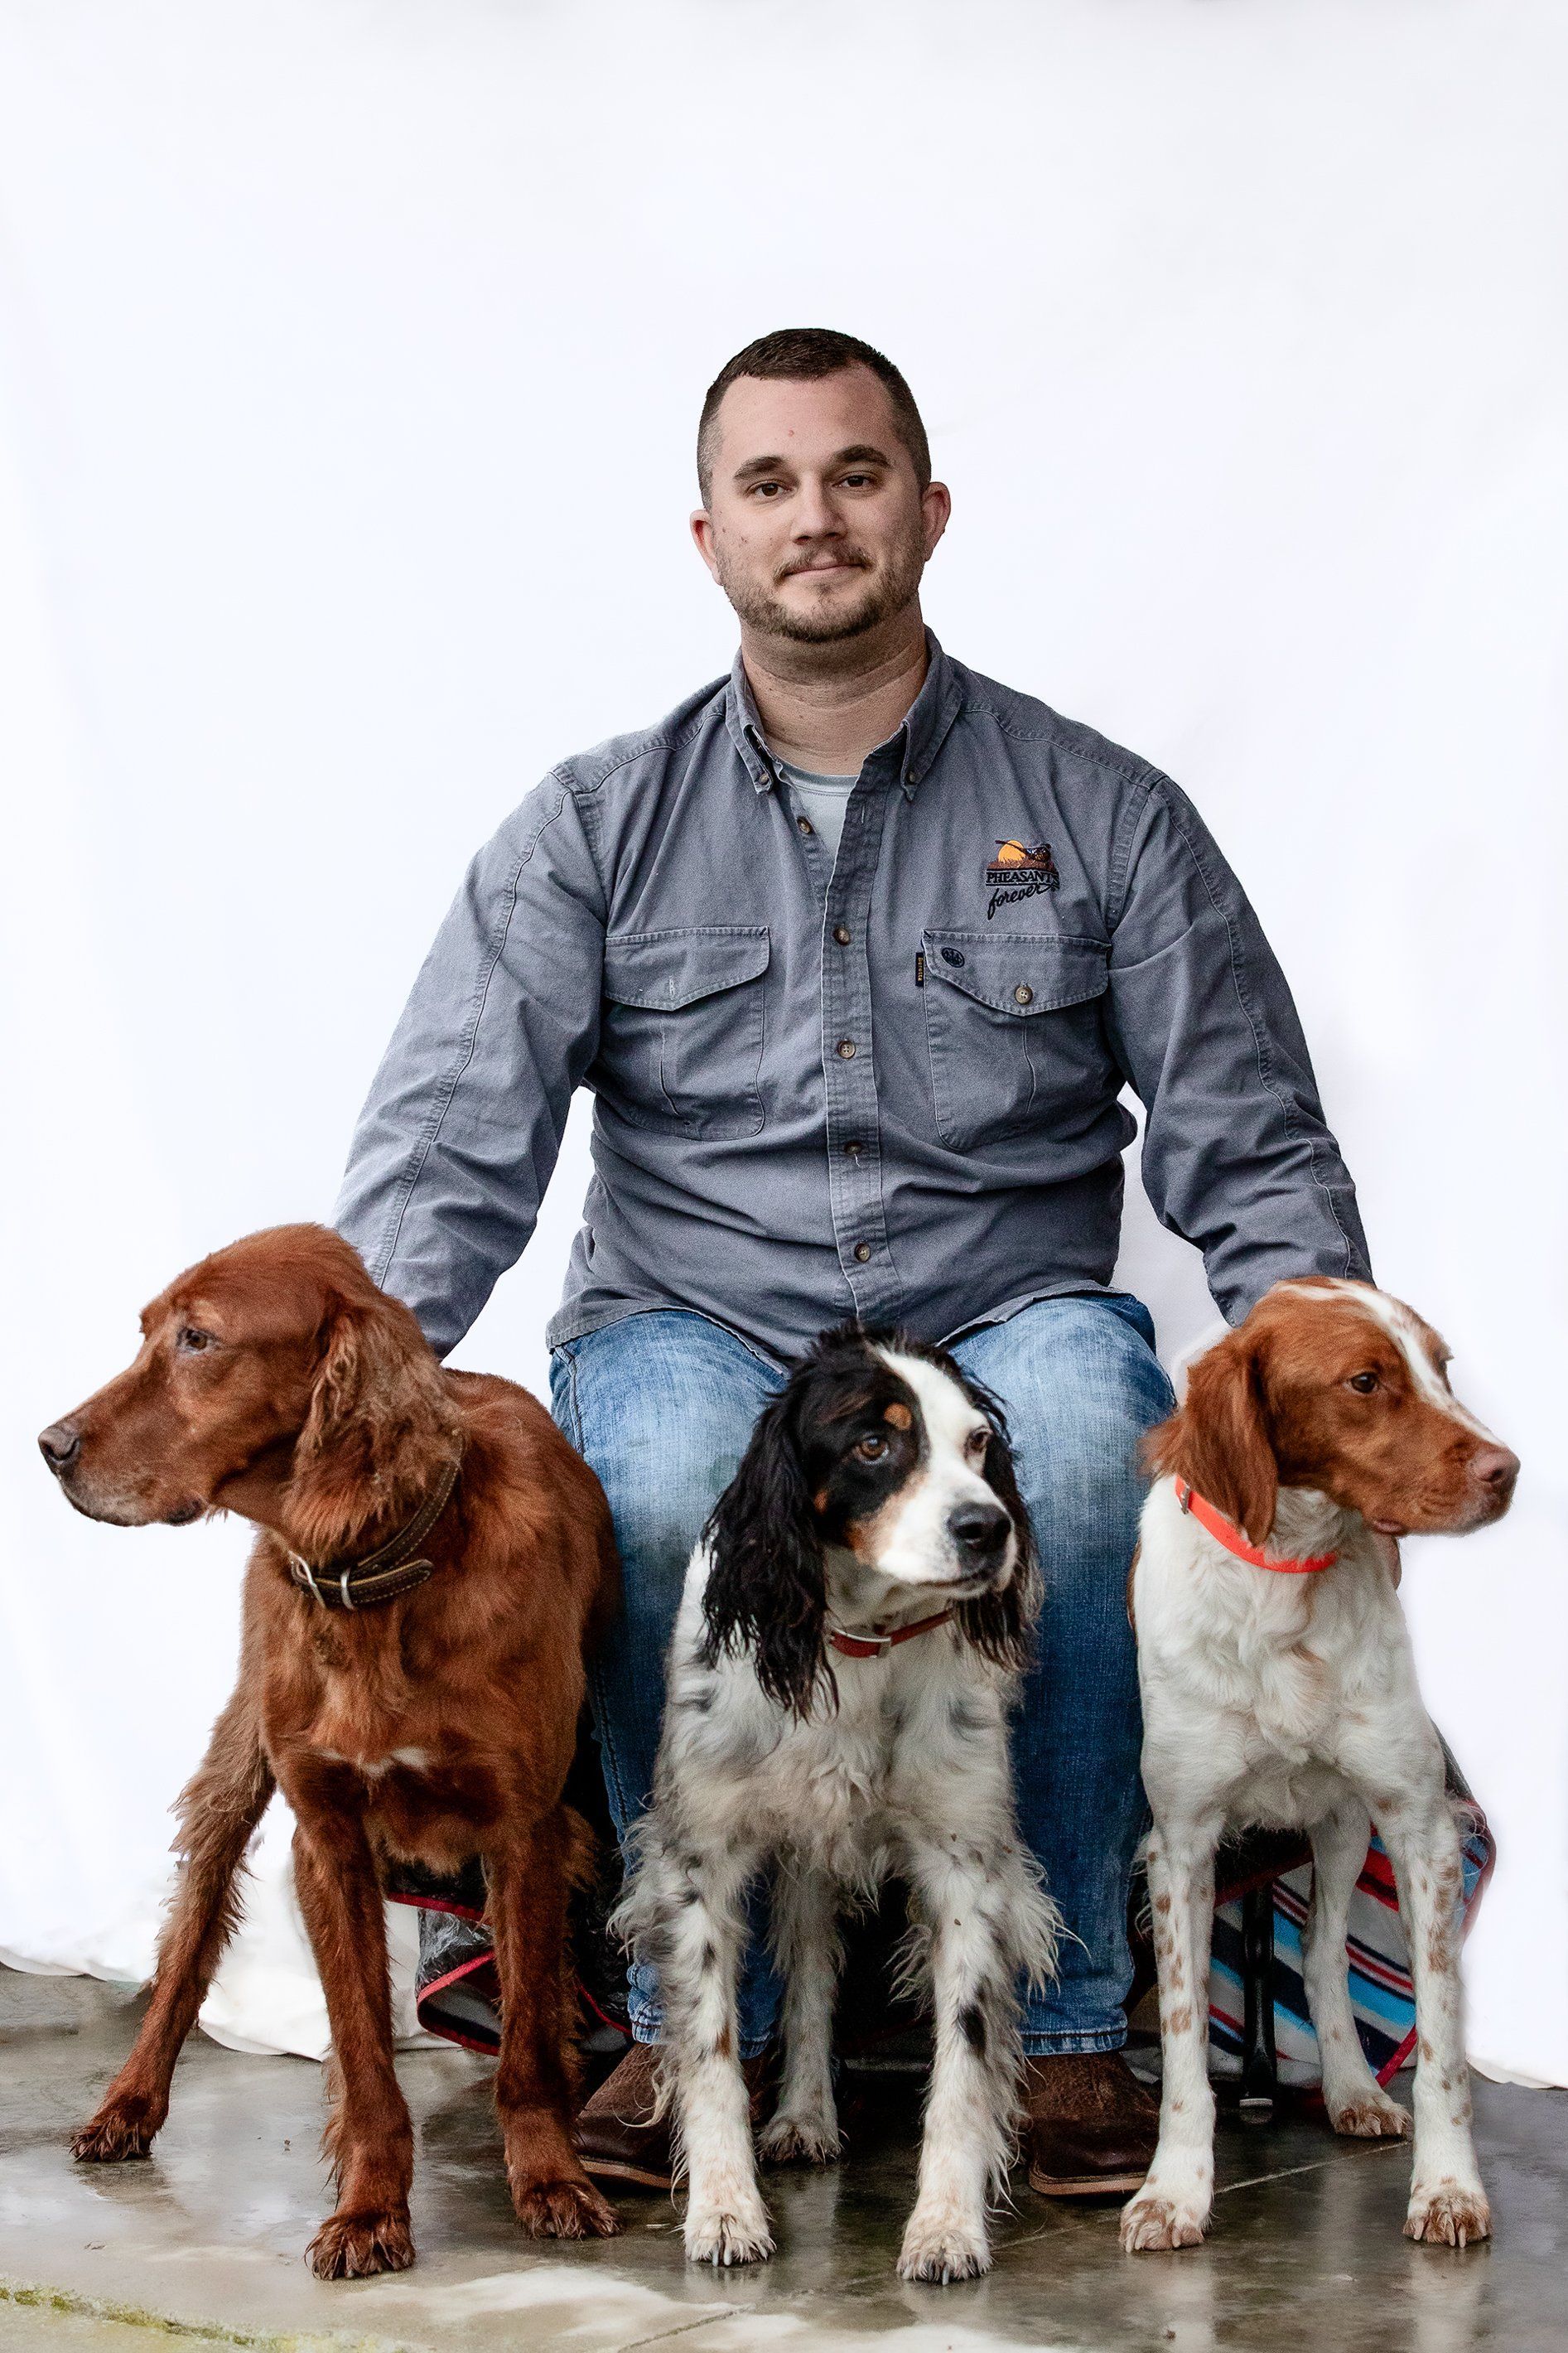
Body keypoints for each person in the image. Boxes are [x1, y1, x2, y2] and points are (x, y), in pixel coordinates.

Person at [335, 327, 1368, 2200]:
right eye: (768, 483)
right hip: (694, 1317)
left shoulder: (1103, 808)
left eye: (854, 475)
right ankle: (677, 2016)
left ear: (927, 510)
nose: (813, 518)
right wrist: (354, 1405)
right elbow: (445, 1143)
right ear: (708, 533)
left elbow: (1250, 1133)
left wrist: (1334, 1383)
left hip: (996, 1313)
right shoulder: (589, 826)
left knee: (1072, 1423)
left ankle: (1055, 2042)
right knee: (642, 1482)